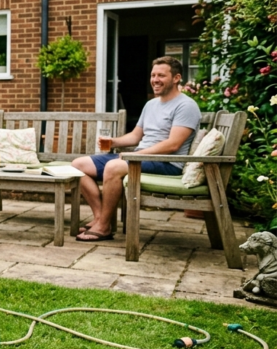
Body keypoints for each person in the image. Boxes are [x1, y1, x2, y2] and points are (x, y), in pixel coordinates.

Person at [71, 56, 201, 242]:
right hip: (141, 157)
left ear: (176, 78)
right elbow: (135, 136)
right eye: (153, 75)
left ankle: (104, 227)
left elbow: (173, 144)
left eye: (161, 75)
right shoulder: (151, 104)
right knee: (77, 165)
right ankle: (101, 218)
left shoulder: (186, 106)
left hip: (167, 162)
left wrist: (135, 154)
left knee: (114, 167)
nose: (155, 79)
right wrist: (113, 142)